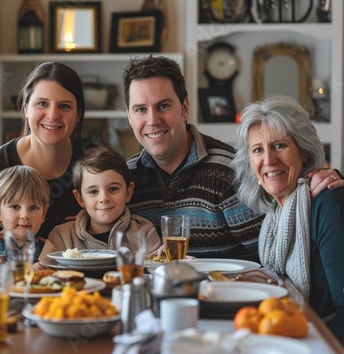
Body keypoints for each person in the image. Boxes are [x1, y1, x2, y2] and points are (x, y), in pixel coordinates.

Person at [121, 55, 343, 262]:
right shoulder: (124, 181)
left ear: (185, 108)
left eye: (163, 106)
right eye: (140, 109)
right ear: (129, 117)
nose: (152, 120)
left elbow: (273, 259)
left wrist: (327, 178)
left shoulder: (230, 172)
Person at [232, 94, 344, 345]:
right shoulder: (274, 214)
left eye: (279, 145)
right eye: (258, 150)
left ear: (304, 152)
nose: (269, 160)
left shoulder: (326, 202)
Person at [0, 62, 96, 251]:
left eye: (65, 106)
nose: (52, 115)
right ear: (26, 108)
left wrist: (95, 221)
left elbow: (114, 224)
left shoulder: (94, 161)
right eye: (42, 104)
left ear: (78, 115)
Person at [36, 147, 161, 267]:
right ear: (79, 198)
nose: (103, 198)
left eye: (113, 189)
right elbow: (43, 270)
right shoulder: (62, 236)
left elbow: (157, 271)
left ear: (128, 192)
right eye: (93, 192)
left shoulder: (144, 233)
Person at [0, 165, 49, 261]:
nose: (25, 215)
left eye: (33, 207)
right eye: (15, 207)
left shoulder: (47, 248)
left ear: (43, 213)